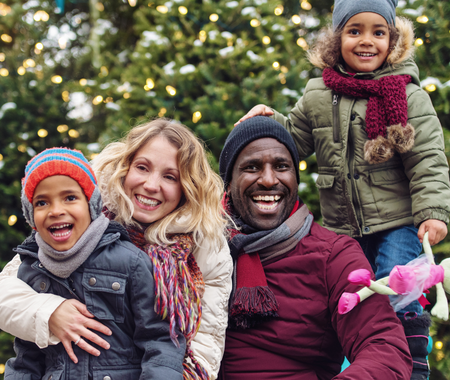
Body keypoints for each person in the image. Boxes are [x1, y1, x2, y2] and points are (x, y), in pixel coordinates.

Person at [235, 1, 450, 377]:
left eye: (378, 32)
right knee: (351, 292)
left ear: (392, 40)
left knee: (394, 282)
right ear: (337, 40)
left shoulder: (409, 96)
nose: (367, 41)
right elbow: (293, 141)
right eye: (355, 31)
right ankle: (358, 360)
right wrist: (271, 121)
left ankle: (412, 361)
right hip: (342, 227)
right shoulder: (319, 94)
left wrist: (433, 212)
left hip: (397, 220)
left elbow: (428, 158)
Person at [0, 119, 232, 380]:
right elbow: (7, 292)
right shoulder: (79, 219)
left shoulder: (205, 242)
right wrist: (49, 313)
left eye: (170, 176)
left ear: (187, 187)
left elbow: (202, 342)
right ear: (125, 167)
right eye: (142, 168)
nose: (152, 185)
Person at [217, 116, 412, 379]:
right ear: (228, 183)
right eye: (251, 167)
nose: (267, 179)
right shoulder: (200, 248)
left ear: (295, 178)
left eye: (281, 166)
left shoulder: (334, 256)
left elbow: (384, 348)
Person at [5, 147, 185, 379]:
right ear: (31, 216)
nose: (56, 211)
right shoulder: (31, 269)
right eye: (42, 203)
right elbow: (26, 358)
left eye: (70, 198)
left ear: (91, 205)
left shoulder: (129, 261)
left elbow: (159, 339)